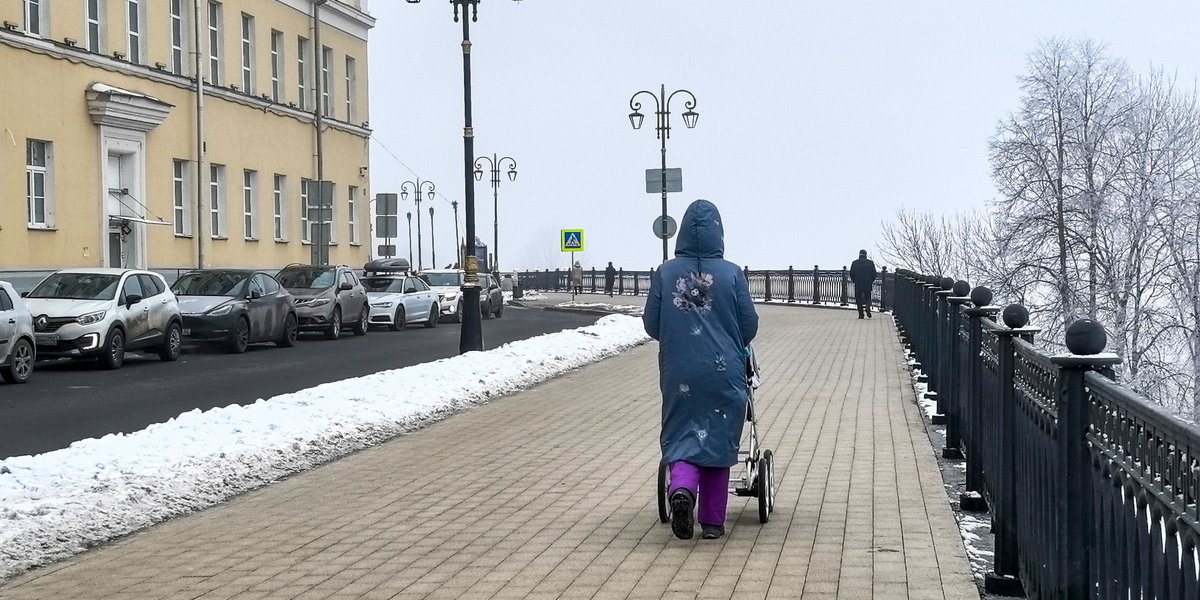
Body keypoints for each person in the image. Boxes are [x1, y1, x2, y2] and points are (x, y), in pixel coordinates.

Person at [643, 199, 759, 540]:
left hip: (679, 372)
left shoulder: (665, 273)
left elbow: (651, 325)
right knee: (719, 439)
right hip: (724, 373)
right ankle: (711, 522)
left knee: (682, 434)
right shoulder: (731, 273)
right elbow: (748, 326)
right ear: (718, 233)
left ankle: (681, 490)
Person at [850, 249, 877, 319]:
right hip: (868, 283)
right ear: (866, 255)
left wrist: (855, 280)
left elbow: (851, 274)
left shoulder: (855, 263)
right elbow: (874, 274)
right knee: (868, 297)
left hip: (858, 283)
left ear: (859, 254)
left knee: (858, 299)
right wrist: (871, 281)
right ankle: (867, 307)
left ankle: (861, 314)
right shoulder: (870, 263)